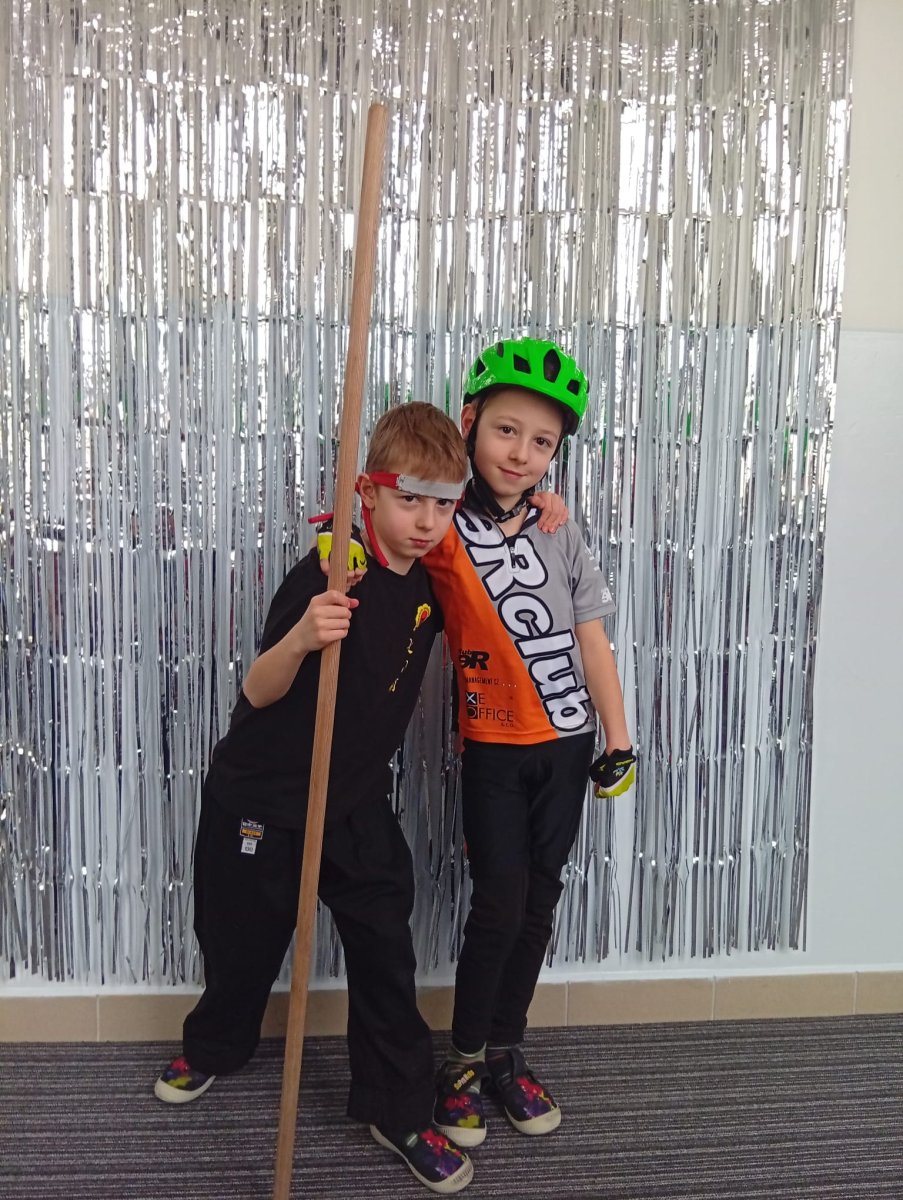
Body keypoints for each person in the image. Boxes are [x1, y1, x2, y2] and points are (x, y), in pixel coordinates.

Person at [153, 402, 476, 1195]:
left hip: (350, 801)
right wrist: (302, 636)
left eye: (443, 504)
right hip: (261, 795)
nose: (426, 521)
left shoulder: (433, 578)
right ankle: (216, 1045)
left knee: (385, 947)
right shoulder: (332, 574)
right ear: (367, 492)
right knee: (240, 940)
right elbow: (257, 690)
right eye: (409, 500)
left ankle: (397, 1110)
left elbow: (504, 529)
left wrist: (542, 506)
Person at [423, 337, 636, 1148]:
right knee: (498, 907)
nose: (520, 453)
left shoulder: (559, 530)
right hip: (493, 748)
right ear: (469, 424)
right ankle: (463, 1062)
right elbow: (393, 540)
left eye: (541, 441)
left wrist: (619, 739)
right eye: (506, 431)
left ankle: (506, 1053)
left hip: (567, 746)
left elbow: (591, 641)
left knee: (539, 905)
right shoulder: (442, 524)